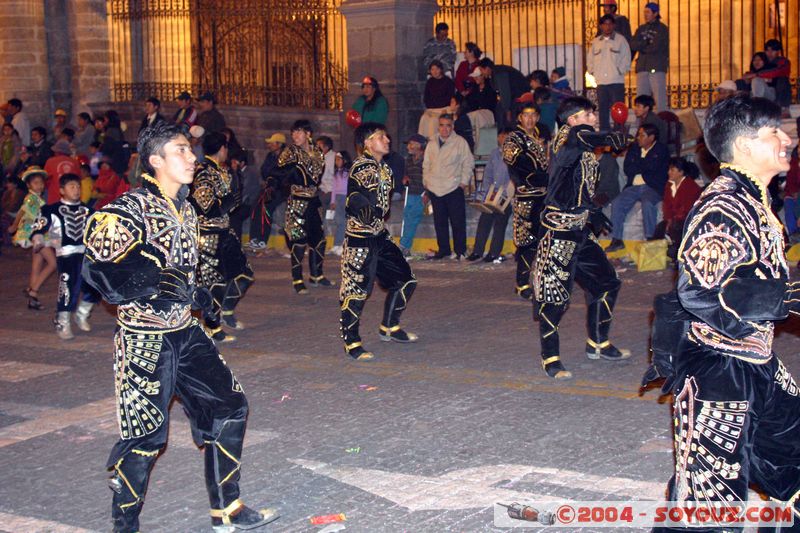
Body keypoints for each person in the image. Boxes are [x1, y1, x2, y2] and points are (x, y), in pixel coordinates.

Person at [82, 121, 278, 533]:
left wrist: (196, 295)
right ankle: (125, 526)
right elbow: (97, 264)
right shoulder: (129, 209)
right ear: (155, 161)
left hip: (185, 333)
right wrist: (149, 279)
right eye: (180, 151)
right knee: (146, 439)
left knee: (230, 406)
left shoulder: (186, 208)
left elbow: (181, 268)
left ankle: (227, 509)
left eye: (190, 150)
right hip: (144, 341)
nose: (191, 158)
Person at [648, 95, 800, 532]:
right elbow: (697, 290)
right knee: (711, 509)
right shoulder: (724, 205)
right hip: (717, 373)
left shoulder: (755, 201)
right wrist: (782, 297)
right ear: (745, 146)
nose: (785, 138)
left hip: (758, 365)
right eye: (773, 131)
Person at [532, 97, 629, 379]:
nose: (593, 116)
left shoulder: (583, 150)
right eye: (588, 113)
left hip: (580, 229)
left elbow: (577, 190)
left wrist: (593, 211)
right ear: (573, 119)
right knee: (555, 298)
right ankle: (550, 357)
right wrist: (616, 136)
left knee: (607, 283)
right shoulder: (570, 138)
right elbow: (588, 136)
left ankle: (598, 341)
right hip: (559, 232)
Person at [340, 122, 417, 361]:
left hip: (379, 235)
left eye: (386, 136)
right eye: (380, 137)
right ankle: (351, 341)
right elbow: (355, 195)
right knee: (357, 290)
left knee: (405, 279)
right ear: (368, 143)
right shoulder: (362, 167)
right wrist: (360, 206)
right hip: (360, 239)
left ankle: (389, 327)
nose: (387, 140)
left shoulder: (383, 168)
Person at [190, 132, 254, 343]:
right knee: (215, 283)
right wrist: (229, 200)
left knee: (244, 274)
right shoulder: (204, 173)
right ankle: (212, 326)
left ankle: (226, 310)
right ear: (221, 149)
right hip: (209, 235)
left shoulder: (221, 171)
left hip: (225, 232)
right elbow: (207, 206)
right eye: (226, 148)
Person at [30, 173, 98, 339]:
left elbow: (99, 230)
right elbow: (38, 228)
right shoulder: (50, 209)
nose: (76, 190)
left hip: (86, 254)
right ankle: (63, 321)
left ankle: (82, 313)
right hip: (65, 255)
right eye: (71, 187)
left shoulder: (88, 210)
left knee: (96, 285)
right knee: (68, 287)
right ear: (62, 190)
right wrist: (38, 239)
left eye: (78, 187)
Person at [272, 119, 332, 292]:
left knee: (318, 239)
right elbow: (278, 174)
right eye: (293, 132)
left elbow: (317, 176)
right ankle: (297, 279)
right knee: (298, 241)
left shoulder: (317, 152)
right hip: (296, 200)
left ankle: (316, 275)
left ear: (308, 134)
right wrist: (292, 176)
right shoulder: (289, 152)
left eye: (298, 132)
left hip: (313, 199)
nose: (295, 136)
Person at [504, 102, 550, 300]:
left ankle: (544, 280)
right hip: (526, 197)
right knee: (527, 242)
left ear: (538, 117)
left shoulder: (542, 135)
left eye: (533, 115)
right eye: (525, 115)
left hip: (545, 196)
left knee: (546, 240)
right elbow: (521, 169)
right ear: (519, 118)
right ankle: (522, 283)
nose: (530, 119)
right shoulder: (514, 140)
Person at [606, 123, 669, 250]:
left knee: (647, 203)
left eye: (642, 135)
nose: (638, 138)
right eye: (638, 135)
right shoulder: (634, 148)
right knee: (617, 202)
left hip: (652, 186)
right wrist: (644, 166)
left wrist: (640, 165)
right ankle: (617, 239)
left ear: (651, 138)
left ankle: (650, 238)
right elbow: (628, 168)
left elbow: (654, 168)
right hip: (633, 186)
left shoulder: (661, 150)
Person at [422, 114, 474, 260]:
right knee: (440, 222)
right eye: (442, 125)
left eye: (448, 125)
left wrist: (463, 183)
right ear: (438, 126)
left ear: (453, 126)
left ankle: (460, 250)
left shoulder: (460, 142)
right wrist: (426, 182)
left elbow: (468, 163)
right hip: (435, 188)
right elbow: (426, 165)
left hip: (453, 187)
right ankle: (443, 249)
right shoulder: (432, 143)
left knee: (457, 222)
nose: (445, 128)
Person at [9, 167, 57, 310]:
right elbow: (22, 212)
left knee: (37, 265)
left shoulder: (37, 198)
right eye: (36, 183)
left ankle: (33, 298)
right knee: (52, 263)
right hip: (35, 235)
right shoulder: (31, 198)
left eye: (41, 183)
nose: (39, 185)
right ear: (29, 185)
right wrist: (14, 226)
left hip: (37, 234)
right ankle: (33, 290)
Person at [467, 127, 513, 263]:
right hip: (491, 196)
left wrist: (502, 194)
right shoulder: (494, 153)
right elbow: (487, 174)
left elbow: (513, 178)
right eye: (501, 136)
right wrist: (489, 192)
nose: (503, 139)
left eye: (507, 136)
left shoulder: (515, 155)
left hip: (507, 197)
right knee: (484, 221)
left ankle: (494, 253)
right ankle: (477, 251)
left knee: (500, 224)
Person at [588, 14, 632, 131]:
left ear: (614, 25)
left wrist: (620, 71)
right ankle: (604, 133)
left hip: (616, 81)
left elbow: (627, 57)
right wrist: (593, 71)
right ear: (601, 26)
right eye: (605, 24)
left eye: (610, 24)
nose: (607, 27)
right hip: (601, 82)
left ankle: (618, 133)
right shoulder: (596, 42)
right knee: (602, 110)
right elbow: (590, 59)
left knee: (618, 109)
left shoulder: (620, 40)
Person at [657, 157, 701, 261]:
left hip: (689, 220)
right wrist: (668, 220)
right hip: (675, 219)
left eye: (672, 170)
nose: (668, 172)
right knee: (659, 229)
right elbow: (666, 205)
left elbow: (686, 209)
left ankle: (681, 255)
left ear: (681, 172)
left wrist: (672, 221)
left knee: (676, 227)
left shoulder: (690, 186)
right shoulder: (669, 185)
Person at [251, 132, 287, 251]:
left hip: (281, 189)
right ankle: (254, 238)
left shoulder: (286, 157)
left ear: (279, 144)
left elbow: (282, 174)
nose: (269, 145)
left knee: (267, 207)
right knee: (256, 205)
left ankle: (262, 239)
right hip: (270, 187)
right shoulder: (270, 156)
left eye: (272, 143)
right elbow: (265, 170)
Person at [630, 2, 669, 112]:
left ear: (655, 13)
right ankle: (642, 126)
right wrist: (645, 43)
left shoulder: (662, 29)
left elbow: (656, 47)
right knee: (641, 100)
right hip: (642, 67)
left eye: (648, 12)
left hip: (656, 67)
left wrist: (641, 45)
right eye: (644, 12)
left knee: (659, 99)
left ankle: (661, 123)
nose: (645, 15)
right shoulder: (641, 28)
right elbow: (633, 44)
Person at [454, 66, 497, 152]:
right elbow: (469, 102)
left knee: (476, 116)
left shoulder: (490, 88)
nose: (476, 78)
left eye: (478, 76)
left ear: (483, 76)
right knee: (461, 122)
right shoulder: (474, 89)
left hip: (487, 113)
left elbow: (490, 104)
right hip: (475, 113)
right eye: (475, 77)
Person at [399, 134, 427, 255]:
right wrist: (405, 178)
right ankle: (405, 246)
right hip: (410, 193)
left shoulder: (427, 159)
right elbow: (406, 174)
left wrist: (428, 194)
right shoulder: (408, 160)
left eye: (411, 144)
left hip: (421, 194)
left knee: (413, 218)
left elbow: (430, 177)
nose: (408, 147)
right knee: (407, 218)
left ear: (419, 145)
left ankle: (404, 245)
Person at [419, 59, 456, 140]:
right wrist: (431, 108)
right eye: (432, 69)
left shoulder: (448, 81)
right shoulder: (430, 82)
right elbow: (426, 98)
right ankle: (423, 142)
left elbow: (450, 97)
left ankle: (434, 142)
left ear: (441, 70)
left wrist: (437, 106)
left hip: (444, 109)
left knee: (433, 121)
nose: (434, 71)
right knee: (423, 119)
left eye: (437, 69)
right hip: (432, 109)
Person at [44, 139, 81, 204]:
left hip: (54, 199)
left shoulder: (50, 161)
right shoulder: (75, 162)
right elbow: (79, 179)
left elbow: (46, 180)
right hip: (71, 198)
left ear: (56, 151)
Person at [329, 150, 352, 256]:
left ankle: (340, 244)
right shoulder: (337, 173)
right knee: (339, 222)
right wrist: (332, 201)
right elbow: (333, 188)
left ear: (344, 160)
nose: (336, 162)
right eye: (336, 160)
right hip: (338, 199)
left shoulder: (348, 173)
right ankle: (337, 244)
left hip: (345, 198)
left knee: (343, 222)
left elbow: (351, 187)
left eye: (339, 159)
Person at [784, 117, 800, 242]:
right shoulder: (796, 153)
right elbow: (791, 176)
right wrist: (793, 191)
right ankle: (793, 234)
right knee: (789, 200)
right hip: (797, 192)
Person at [316, 135, 335, 219]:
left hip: (330, 192)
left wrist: (327, 190)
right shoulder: (322, 158)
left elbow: (333, 176)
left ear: (326, 147)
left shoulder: (333, 158)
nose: (316, 149)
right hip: (324, 191)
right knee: (326, 216)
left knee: (329, 217)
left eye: (319, 146)